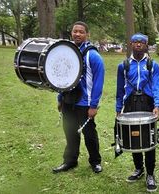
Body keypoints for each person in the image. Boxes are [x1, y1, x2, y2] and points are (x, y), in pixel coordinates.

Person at [53, 21, 105, 174]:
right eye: (75, 31)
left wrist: (94, 105)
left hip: (85, 103)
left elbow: (98, 82)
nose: (77, 34)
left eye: (81, 32)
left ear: (87, 34)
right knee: (70, 133)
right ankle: (70, 161)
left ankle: (95, 162)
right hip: (68, 100)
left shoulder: (92, 55)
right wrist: (60, 98)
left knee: (89, 135)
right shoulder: (67, 53)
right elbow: (62, 77)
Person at [115, 33, 159, 192]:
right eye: (135, 42)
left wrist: (157, 105)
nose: (138, 45)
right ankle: (138, 168)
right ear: (130, 44)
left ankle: (150, 173)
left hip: (147, 103)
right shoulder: (123, 65)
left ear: (146, 45)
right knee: (133, 137)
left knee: (149, 139)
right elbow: (119, 90)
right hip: (130, 103)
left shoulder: (152, 65)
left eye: (141, 42)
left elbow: (157, 86)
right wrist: (118, 109)